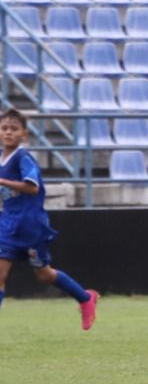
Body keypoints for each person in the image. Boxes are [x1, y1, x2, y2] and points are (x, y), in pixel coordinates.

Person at [0, 108, 98, 328]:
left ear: (24, 134)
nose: (8, 132)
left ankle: (85, 298)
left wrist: (3, 183)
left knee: (43, 275)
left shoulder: (23, 158)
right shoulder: (2, 159)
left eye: (14, 129)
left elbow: (32, 188)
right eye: (4, 128)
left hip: (31, 226)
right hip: (8, 226)